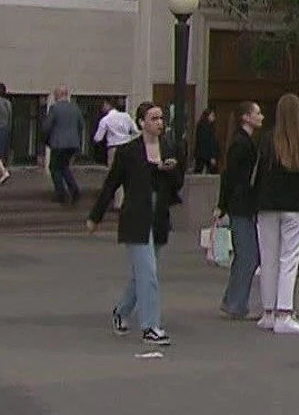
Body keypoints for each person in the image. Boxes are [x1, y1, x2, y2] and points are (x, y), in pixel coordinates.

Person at [87, 101, 183, 346]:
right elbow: (111, 184)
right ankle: (151, 327)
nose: (159, 123)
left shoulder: (169, 147)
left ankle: (121, 311)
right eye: (154, 118)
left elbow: (177, 183)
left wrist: (168, 171)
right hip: (136, 216)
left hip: (158, 216)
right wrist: (95, 216)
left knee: (142, 274)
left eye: (161, 118)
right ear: (141, 122)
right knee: (148, 273)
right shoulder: (129, 152)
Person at [254, 93, 299, 335]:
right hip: (295, 205)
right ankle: (284, 312)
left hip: (268, 205)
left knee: (268, 259)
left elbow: (258, 173)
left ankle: (269, 312)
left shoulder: (267, 140)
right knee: (288, 260)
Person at [215, 100, 265, 321]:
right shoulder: (241, 144)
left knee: (245, 255)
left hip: (241, 203)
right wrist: (222, 204)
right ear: (246, 117)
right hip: (241, 204)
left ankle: (232, 300)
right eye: (257, 113)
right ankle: (236, 303)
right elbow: (230, 176)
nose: (261, 117)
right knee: (248, 255)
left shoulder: (245, 142)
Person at [41, 87, 87, 206]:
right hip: (73, 143)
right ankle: (74, 190)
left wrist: (46, 139)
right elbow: (81, 125)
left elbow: (47, 126)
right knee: (64, 167)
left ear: (58, 95)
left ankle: (61, 193)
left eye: (55, 94)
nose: (54, 97)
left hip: (58, 143)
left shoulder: (55, 108)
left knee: (54, 167)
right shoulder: (75, 108)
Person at [194, 108, 222, 175]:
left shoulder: (210, 127)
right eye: (212, 115)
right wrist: (212, 156)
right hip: (204, 154)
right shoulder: (203, 127)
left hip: (204, 154)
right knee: (206, 170)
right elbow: (207, 142)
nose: (214, 117)